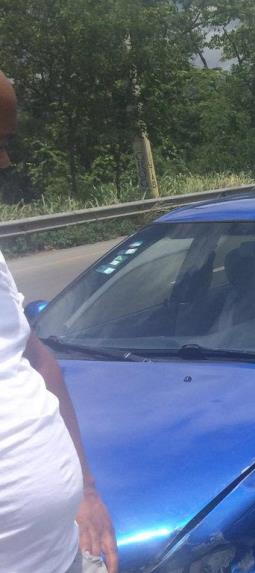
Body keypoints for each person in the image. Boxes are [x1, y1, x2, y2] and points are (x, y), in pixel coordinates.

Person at [0, 71, 118, 573]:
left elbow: (36, 356)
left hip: (65, 554)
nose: (5, 161)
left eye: (5, 142)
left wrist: (85, 490)